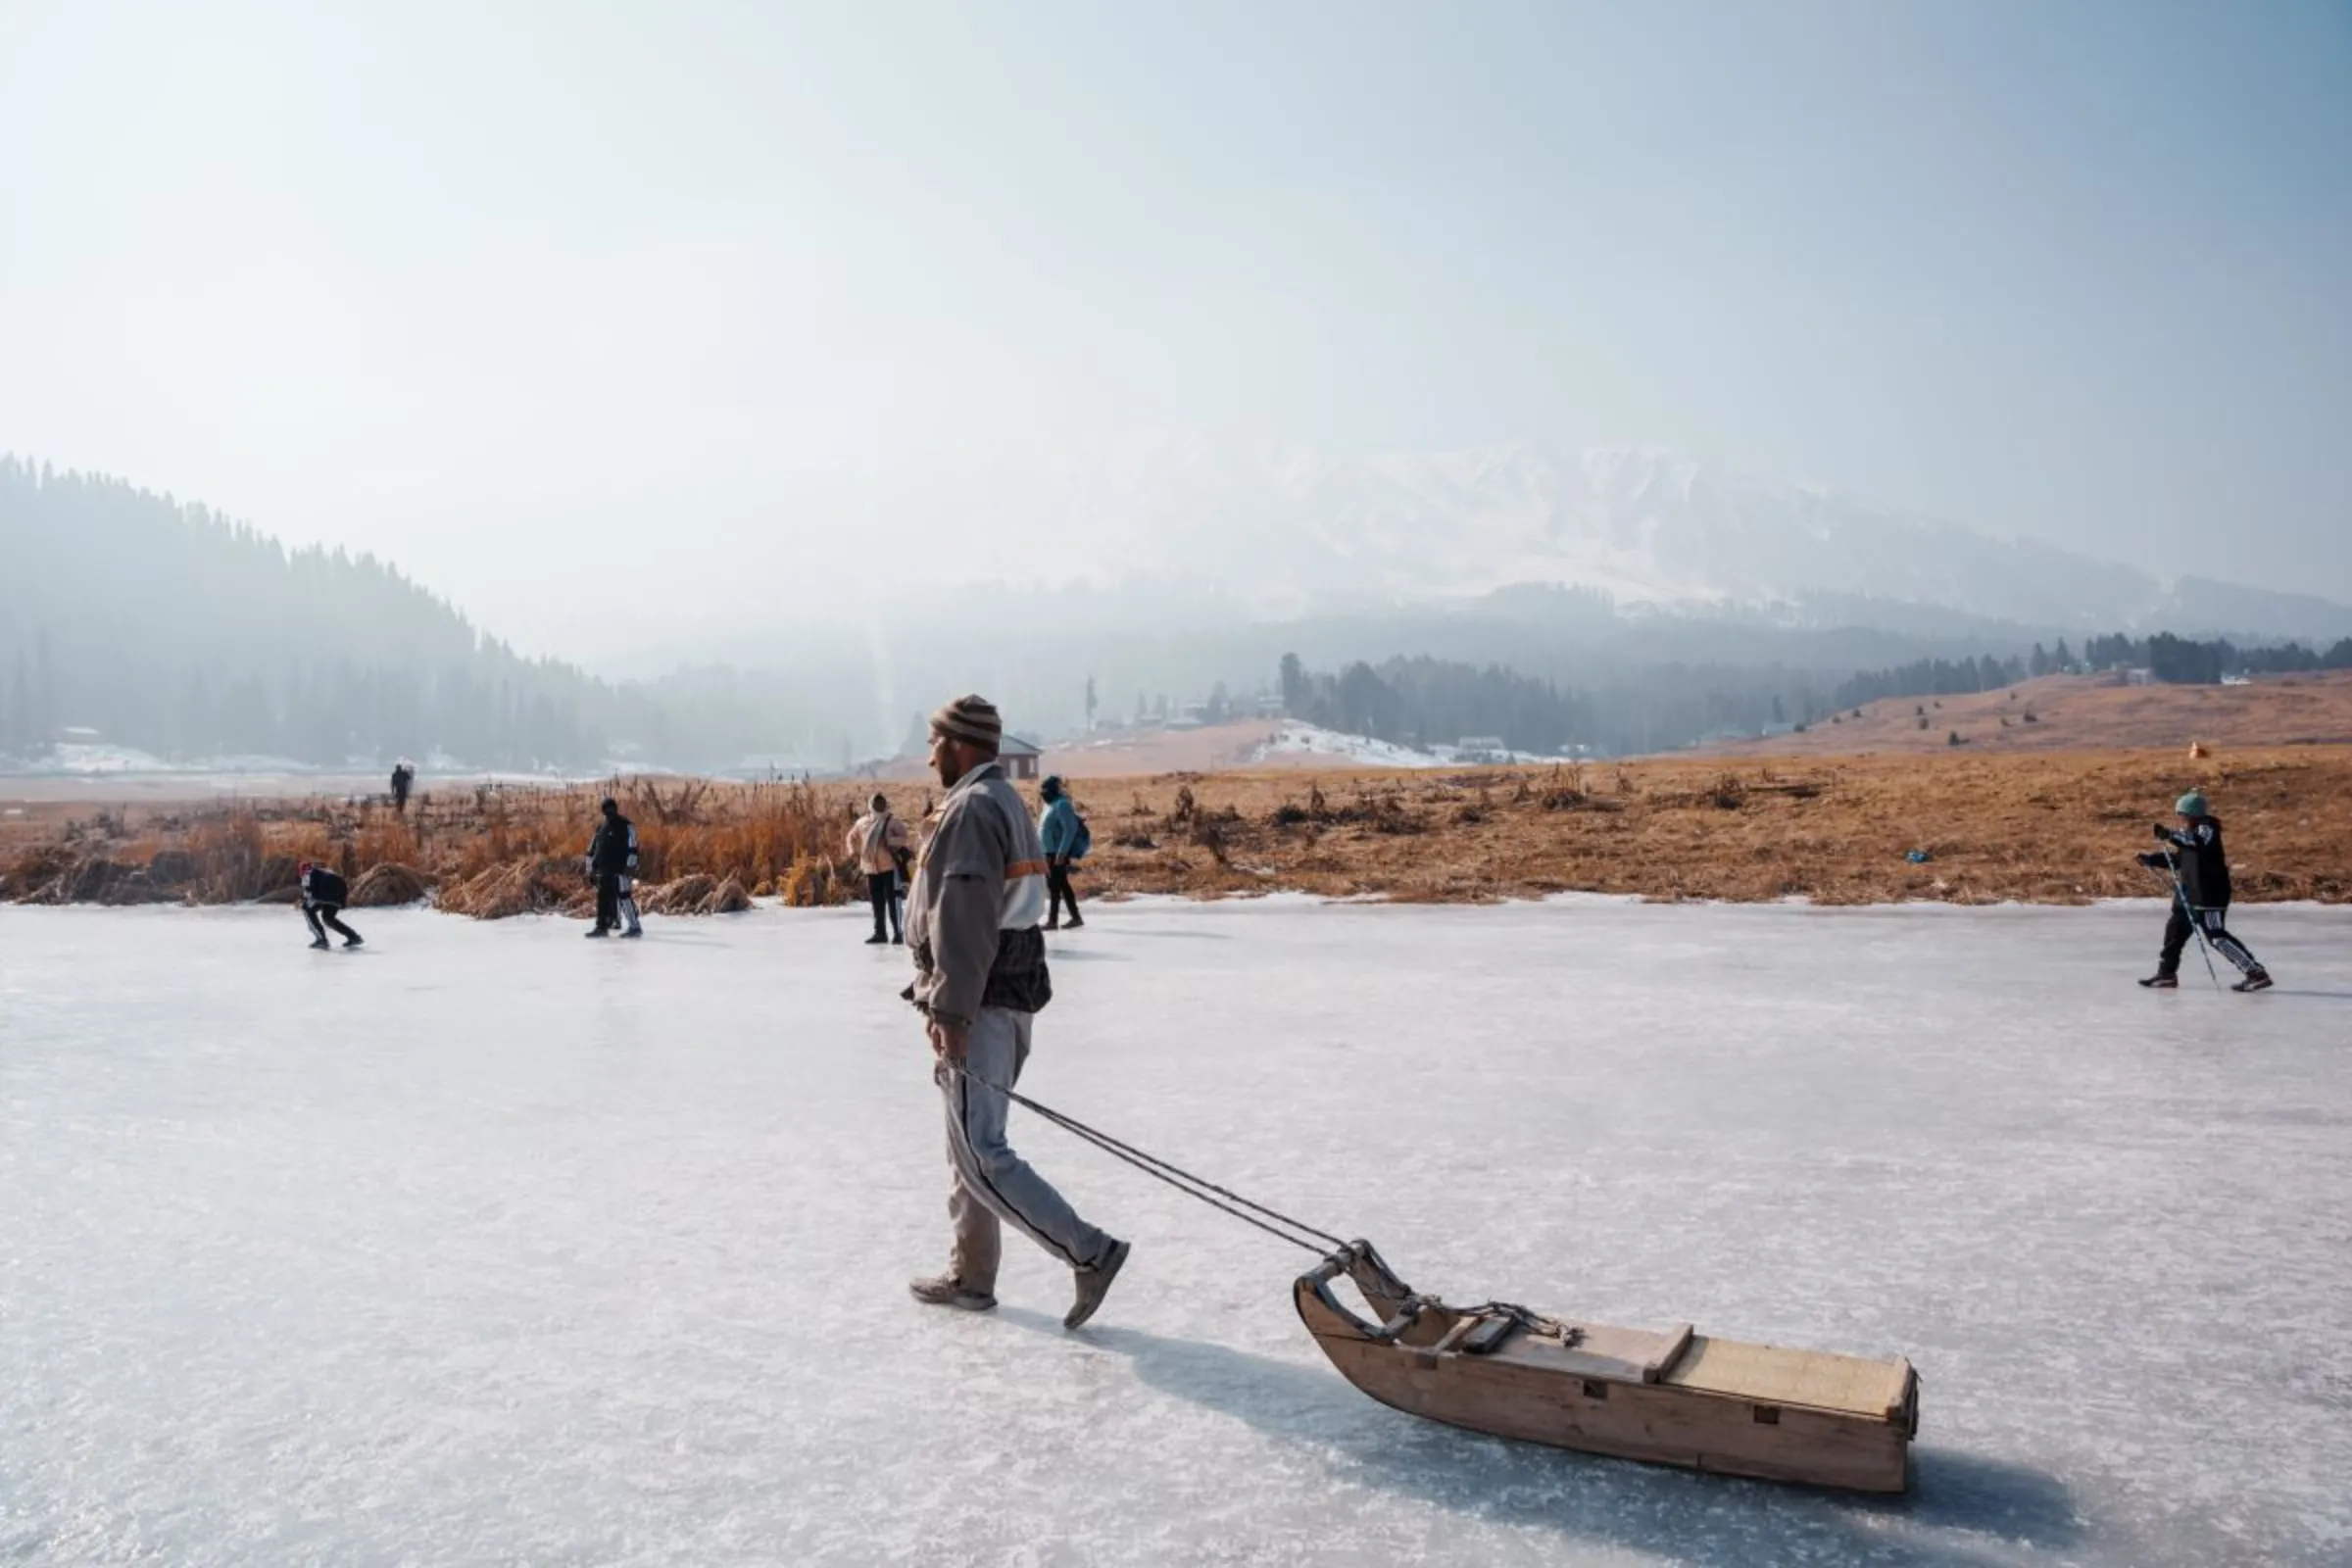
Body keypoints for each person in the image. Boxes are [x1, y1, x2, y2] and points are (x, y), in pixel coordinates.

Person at [904, 694, 1129, 1328]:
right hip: (998, 994)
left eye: (935, 743)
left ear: (959, 745)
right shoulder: (998, 799)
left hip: (982, 1002)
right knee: (966, 1148)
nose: (929, 756)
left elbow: (965, 917)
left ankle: (1090, 1252)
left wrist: (950, 1010)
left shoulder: (973, 808)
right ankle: (971, 1275)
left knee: (982, 1152)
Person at [2135, 790, 2271, 992]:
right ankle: (2166, 974)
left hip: (2209, 896)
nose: (2180, 818)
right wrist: (2151, 859)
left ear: (2193, 814)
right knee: (2174, 934)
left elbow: (2195, 842)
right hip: (2188, 895)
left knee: (2217, 937)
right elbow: (2180, 860)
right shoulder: (2188, 835)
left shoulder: (2207, 829)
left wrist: (2169, 835)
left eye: (2182, 814)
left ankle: (2255, 973)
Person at [846, 791, 913, 944]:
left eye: (881, 803)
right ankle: (880, 933)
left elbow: (904, 837)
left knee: (893, 901)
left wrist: (890, 840)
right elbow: (851, 836)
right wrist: (852, 850)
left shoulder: (892, 822)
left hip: (889, 867)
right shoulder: (862, 822)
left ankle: (898, 933)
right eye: (876, 803)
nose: (879, 806)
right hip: (870, 868)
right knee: (877, 902)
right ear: (871, 805)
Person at [584, 797, 642, 938]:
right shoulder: (601, 828)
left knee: (624, 897)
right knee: (603, 898)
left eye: (611, 809)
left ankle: (634, 927)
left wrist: (630, 866)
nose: (609, 812)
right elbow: (592, 850)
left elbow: (633, 847)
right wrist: (590, 869)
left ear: (615, 809)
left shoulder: (626, 825)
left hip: (621, 869)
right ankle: (602, 926)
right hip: (604, 869)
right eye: (606, 810)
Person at [1038, 774, 1086, 930]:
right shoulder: (1049, 806)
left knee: (1054, 887)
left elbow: (1070, 829)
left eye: (1046, 789)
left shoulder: (1062, 805)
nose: (1043, 792)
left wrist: (1062, 853)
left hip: (1057, 853)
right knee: (1062, 885)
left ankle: (1052, 921)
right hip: (1048, 853)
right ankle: (1075, 917)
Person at [297, 859, 363, 950]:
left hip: (326, 892)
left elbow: (310, 895)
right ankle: (354, 937)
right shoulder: (323, 872)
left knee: (306, 909)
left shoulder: (307, 874)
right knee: (328, 918)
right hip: (339, 893)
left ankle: (321, 940)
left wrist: (305, 901)